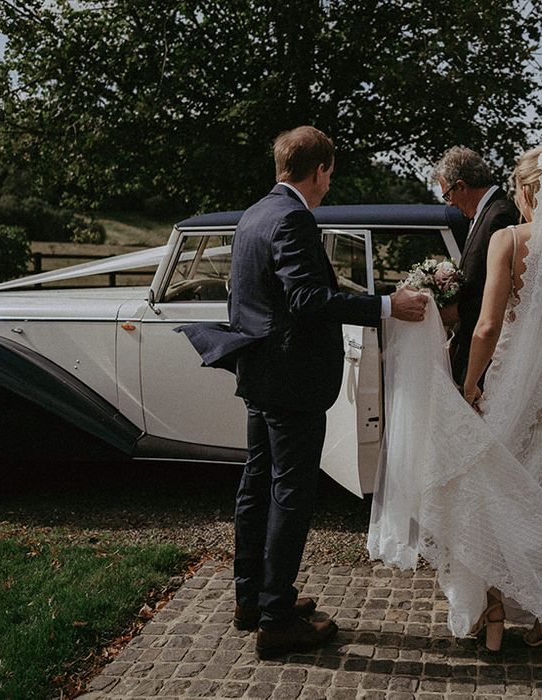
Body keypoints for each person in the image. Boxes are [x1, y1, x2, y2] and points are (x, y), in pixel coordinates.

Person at [179, 125, 427, 659]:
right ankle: (276, 621)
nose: (328, 185)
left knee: (257, 486)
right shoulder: (293, 217)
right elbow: (310, 299)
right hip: (291, 380)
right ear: (320, 170)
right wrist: (387, 306)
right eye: (329, 175)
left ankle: (257, 599)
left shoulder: (254, 214)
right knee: (290, 495)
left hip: (262, 375)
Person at [368, 145, 542, 662]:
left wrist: (471, 383)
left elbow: (488, 326)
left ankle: (495, 618)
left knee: (494, 489)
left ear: (525, 190)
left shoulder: (509, 239)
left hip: (514, 375)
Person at [431, 147, 519, 386]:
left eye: (447, 195)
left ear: (461, 186)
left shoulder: (500, 216)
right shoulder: (484, 214)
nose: (449, 204)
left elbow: (494, 293)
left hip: (485, 354)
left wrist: (451, 313)